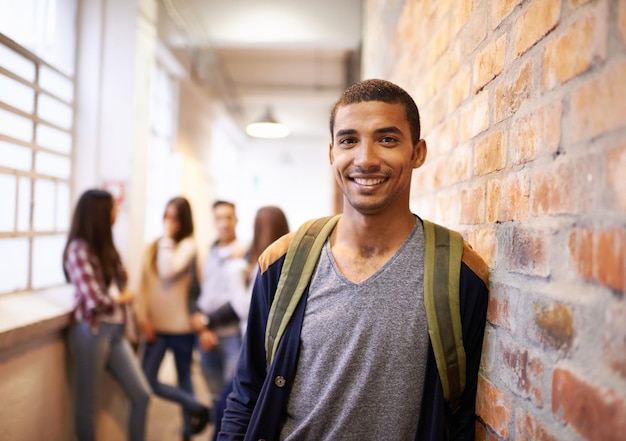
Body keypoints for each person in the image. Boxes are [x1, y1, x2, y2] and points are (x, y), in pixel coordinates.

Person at [218, 79, 490, 440]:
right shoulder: (283, 264)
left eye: (387, 139)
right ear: (332, 153)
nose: (365, 159)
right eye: (349, 140)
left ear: (418, 152)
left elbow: (461, 418)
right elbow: (247, 393)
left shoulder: (459, 276)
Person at [191, 206, 290, 440]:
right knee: (229, 404)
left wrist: (236, 273)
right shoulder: (259, 257)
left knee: (231, 408)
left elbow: (246, 308)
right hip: (257, 344)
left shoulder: (266, 262)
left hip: (255, 347)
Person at [63, 189, 151, 441]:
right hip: (91, 331)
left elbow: (122, 280)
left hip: (114, 330)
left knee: (141, 395)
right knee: (87, 405)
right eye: (112, 208)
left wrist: (122, 293)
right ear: (99, 213)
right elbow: (96, 300)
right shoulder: (78, 249)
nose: (116, 213)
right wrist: (122, 297)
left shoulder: (106, 246)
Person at [135, 196, 210, 441]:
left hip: (181, 328)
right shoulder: (155, 246)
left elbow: (168, 271)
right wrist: (143, 318)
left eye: (175, 217)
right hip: (155, 328)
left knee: (184, 378)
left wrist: (166, 238)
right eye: (167, 216)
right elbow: (144, 285)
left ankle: (187, 433)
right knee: (146, 381)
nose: (170, 222)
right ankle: (197, 407)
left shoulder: (187, 246)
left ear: (184, 221)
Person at [193, 200, 246, 414]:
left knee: (232, 397)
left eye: (228, 217)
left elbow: (238, 303)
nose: (224, 223)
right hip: (206, 336)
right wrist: (203, 326)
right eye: (219, 218)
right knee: (215, 396)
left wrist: (207, 322)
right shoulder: (208, 253)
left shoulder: (244, 254)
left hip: (231, 336)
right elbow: (199, 292)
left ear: (236, 220)